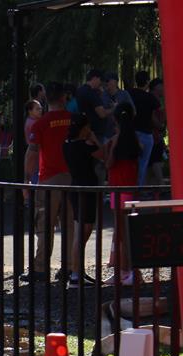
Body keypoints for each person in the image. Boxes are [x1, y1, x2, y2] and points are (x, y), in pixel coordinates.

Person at [23, 82, 73, 283]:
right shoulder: (74, 120)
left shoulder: (40, 124)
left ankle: (41, 268)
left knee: (45, 225)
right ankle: (69, 267)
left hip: (48, 178)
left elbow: (32, 152)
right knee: (70, 225)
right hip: (72, 178)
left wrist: (26, 178)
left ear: (47, 100)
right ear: (64, 98)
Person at [63, 113, 103, 289]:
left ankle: (77, 271)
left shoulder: (67, 145)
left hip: (75, 187)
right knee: (83, 232)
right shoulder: (86, 145)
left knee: (80, 230)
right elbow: (106, 157)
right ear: (84, 128)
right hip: (86, 189)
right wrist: (95, 139)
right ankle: (75, 275)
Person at [104, 103, 142, 286]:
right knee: (128, 232)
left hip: (117, 189)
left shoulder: (115, 140)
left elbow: (109, 164)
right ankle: (127, 271)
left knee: (121, 233)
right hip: (130, 188)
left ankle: (126, 271)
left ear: (115, 119)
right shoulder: (135, 139)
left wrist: (111, 147)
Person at [127, 71, 161, 187]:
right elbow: (154, 114)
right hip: (146, 133)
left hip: (132, 132)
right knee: (143, 164)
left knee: (131, 162)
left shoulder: (129, 93)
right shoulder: (150, 98)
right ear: (147, 82)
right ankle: (139, 189)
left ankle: (130, 187)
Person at [76, 69, 111, 143]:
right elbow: (102, 114)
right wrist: (114, 108)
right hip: (95, 133)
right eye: (100, 79)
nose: (101, 83)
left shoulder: (80, 90)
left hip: (84, 130)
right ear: (95, 78)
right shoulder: (91, 93)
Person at [101, 72, 134, 142]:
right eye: (105, 81)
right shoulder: (102, 95)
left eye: (108, 80)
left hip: (122, 134)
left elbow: (133, 111)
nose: (106, 83)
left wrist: (120, 109)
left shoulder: (124, 94)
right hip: (107, 134)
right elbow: (101, 113)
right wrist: (114, 109)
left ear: (115, 82)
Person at [148, 78, 167, 186]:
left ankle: (150, 189)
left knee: (151, 164)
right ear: (157, 87)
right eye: (162, 86)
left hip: (156, 135)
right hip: (154, 135)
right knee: (156, 161)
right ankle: (161, 184)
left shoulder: (158, 100)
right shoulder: (152, 99)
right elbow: (152, 116)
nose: (164, 89)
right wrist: (160, 126)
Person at [24, 100, 43, 184]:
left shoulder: (33, 121)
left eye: (40, 108)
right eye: (37, 109)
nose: (40, 111)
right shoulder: (33, 123)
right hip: (35, 153)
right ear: (30, 111)